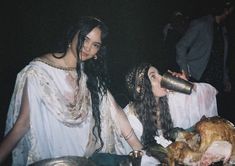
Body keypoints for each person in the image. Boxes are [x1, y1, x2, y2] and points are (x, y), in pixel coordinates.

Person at [0, 16, 143, 165]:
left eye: (95, 45)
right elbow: (22, 124)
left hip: (84, 160)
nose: (88, 48)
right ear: (72, 35)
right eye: (85, 39)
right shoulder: (39, 73)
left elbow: (115, 111)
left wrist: (139, 150)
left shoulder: (88, 76)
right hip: (55, 159)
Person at [117, 63, 218, 156]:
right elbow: (132, 156)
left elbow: (209, 92)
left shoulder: (171, 98)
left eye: (159, 74)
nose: (161, 77)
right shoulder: (131, 118)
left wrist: (187, 84)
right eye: (153, 76)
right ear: (140, 88)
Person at [175, 1, 233, 95]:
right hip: (199, 79)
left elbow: (223, 56)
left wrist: (225, 78)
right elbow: (181, 46)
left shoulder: (223, 30)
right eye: (230, 10)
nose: (230, 13)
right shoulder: (201, 23)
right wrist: (185, 71)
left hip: (216, 83)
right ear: (226, 10)